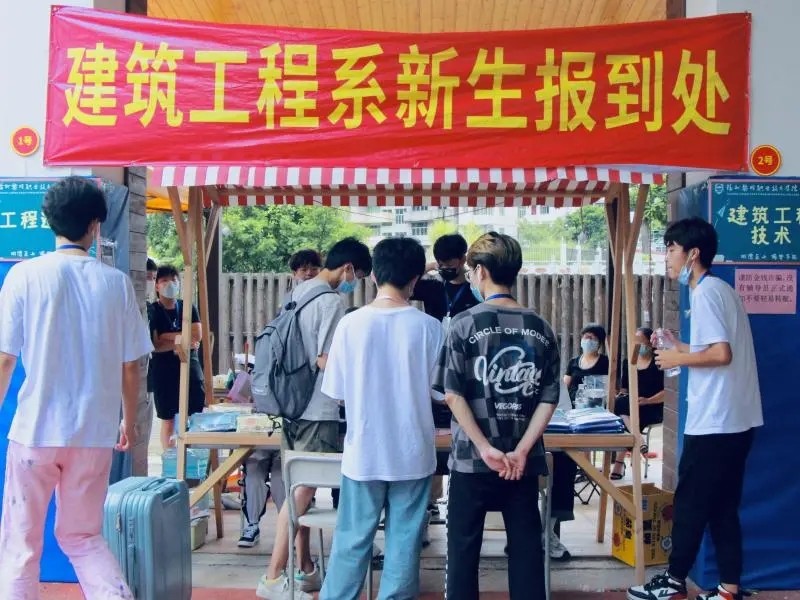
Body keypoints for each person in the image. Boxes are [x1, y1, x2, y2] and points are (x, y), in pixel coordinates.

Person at [0, 176, 153, 599]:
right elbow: (131, 365)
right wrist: (128, 422)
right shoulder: (115, 283)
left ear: (50, 221)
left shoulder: (24, 276)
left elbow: (5, 359)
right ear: (95, 226)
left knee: (20, 545)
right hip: (93, 436)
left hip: (34, 434)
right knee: (82, 537)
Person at [628, 217, 762, 600]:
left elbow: (721, 354)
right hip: (736, 420)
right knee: (722, 506)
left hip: (715, 422)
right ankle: (728, 589)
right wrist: (678, 346)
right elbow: (711, 349)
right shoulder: (721, 290)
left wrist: (676, 359)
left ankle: (673, 582)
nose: (667, 256)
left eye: (671, 249)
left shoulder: (705, 293)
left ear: (693, 254)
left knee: (689, 502)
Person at [433, 232, 559, 600]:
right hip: (521, 464)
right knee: (526, 552)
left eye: (471, 270)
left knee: (462, 551)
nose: (470, 277)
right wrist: (521, 450)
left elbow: (452, 394)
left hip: (472, 460)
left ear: (482, 271)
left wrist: (484, 447)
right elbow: (549, 398)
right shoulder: (541, 328)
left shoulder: (464, 324)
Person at [318, 237, 443, 600]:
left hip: (364, 454)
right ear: (415, 279)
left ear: (373, 276)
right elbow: (441, 393)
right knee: (404, 544)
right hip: (413, 454)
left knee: (351, 542)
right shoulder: (430, 328)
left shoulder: (350, 324)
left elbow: (336, 391)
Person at [256, 237, 372, 600]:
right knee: (301, 493)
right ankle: (273, 577)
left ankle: (305, 568)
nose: (355, 284)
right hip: (317, 409)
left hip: (290, 405)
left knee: (297, 489)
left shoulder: (298, 293)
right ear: (348, 268)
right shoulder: (331, 302)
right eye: (358, 277)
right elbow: (326, 360)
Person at [411, 232, 481, 538]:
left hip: (466, 371)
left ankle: (458, 504)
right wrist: (430, 266)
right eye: (441, 263)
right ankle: (428, 507)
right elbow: (400, 279)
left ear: (463, 259)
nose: (445, 268)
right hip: (432, 369)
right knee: (429, 442)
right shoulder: (431, 287)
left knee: (462, 439)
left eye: (450, 263)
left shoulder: (474, 291)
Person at [547, 323, 610, 560]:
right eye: (585, 337)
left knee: (564, 461)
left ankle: (547, 530)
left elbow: (562, 406)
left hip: (575, 416)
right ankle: (521, 533)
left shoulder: (603, 363)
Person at [149, 264, 206, 450]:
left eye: (173, 280)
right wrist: (182, 339)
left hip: (190, 369)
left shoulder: (188, 307)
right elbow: (156, 343)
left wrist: (167, 336)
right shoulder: (153, 310)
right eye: (164, 280)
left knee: (194, 415)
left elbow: (197, 335)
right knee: (167, 419)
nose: (170, 284)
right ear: (157, 285)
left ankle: (192, 456)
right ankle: (169, 457)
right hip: (164, 371)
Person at [611, 327, 664, 480]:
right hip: (631, 405)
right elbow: (624, 389)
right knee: (622, 405)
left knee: (625, 414)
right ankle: (639, 440)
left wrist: (647, 400)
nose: (637, 344)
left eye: (640, 341)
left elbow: (667, 392)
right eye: (635, 341)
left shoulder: (658, 360)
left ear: (650, 343)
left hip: (652, 405)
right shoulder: (629, 361)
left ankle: (619, 463)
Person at [238, 449, 285, 548]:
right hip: (257, 446)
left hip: (284, 446)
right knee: (253, 475)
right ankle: (253, 524)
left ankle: (288, 527)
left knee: (280, 480)